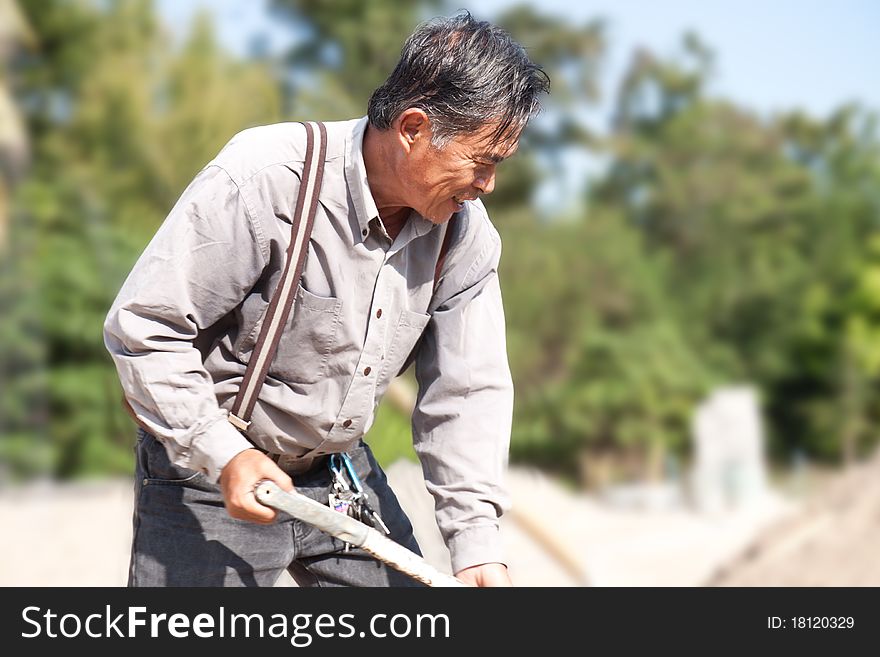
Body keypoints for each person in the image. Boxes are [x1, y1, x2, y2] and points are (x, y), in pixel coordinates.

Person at [103, 11, 549, 587]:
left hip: (339, 478)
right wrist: (224, 454)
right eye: (480, 162)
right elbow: (145, 329)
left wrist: (476, 544)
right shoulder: (268, 176)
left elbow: (467, 392)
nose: (488, 184)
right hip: (211, 473)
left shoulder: (464, 234)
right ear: (413, 129)